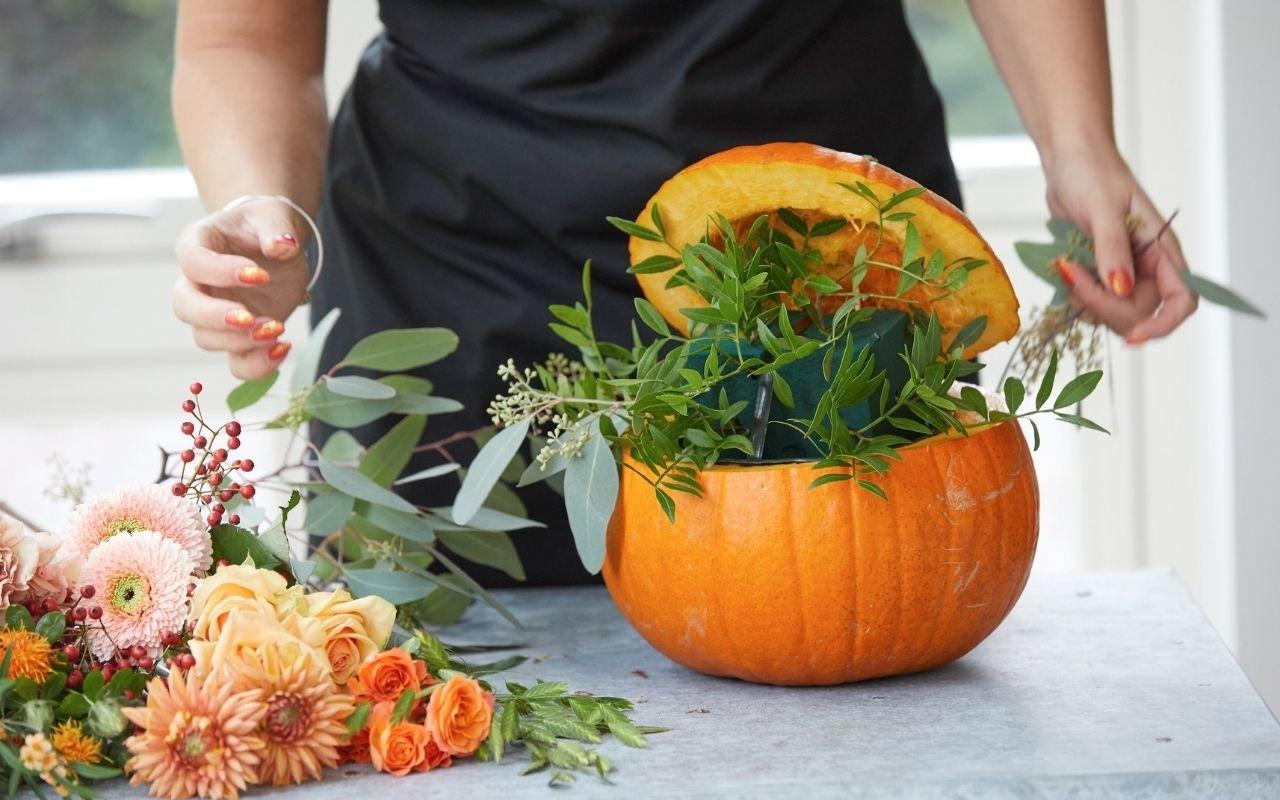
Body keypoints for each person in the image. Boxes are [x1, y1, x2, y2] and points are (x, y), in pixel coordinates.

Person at [170, 0, 1196, 586]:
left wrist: (1076, 141)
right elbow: (242, 38)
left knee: (856, 658)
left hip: (821, 252)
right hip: (457, 285)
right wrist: (264, 209)